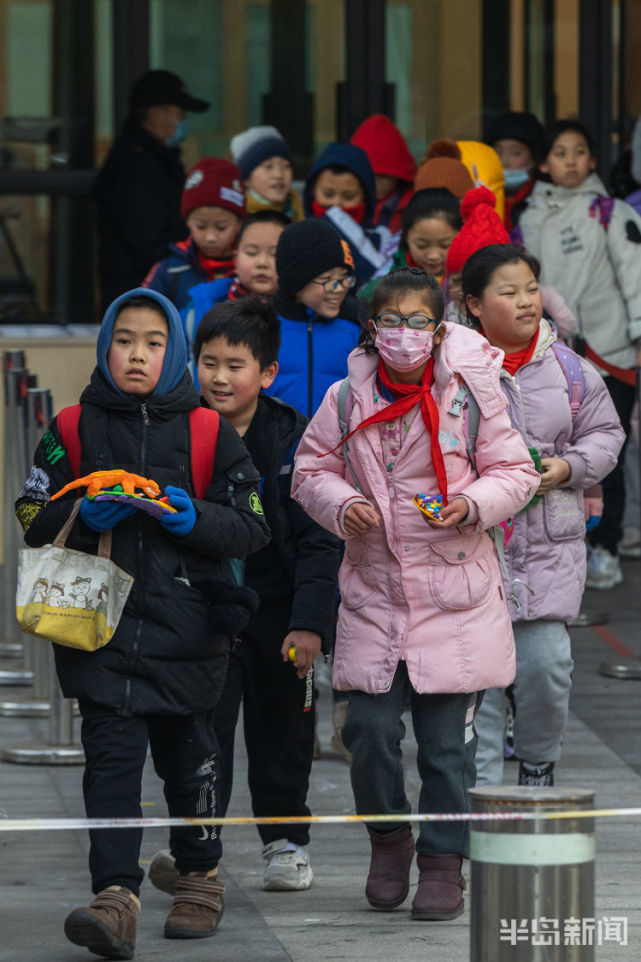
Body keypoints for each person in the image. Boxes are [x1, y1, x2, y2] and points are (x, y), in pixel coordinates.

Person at [15, 288, 270, 957]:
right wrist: (80, 516)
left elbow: (252, 524)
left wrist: (192, 519)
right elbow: (30, 512)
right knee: (110, 767)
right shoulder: (70, 427)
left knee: (192, 764)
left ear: (174, 352)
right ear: (105, 347)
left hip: (191, 632)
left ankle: (198, 877)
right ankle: (115, 897)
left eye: (153, 343)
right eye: (124, 340)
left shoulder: (210, 430)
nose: (136, 355)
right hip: (96, 631)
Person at [291, 267, 539, 921]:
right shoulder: (345, 397)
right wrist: (342, 504)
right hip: (374, 593)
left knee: (445, 748)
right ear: (372, 329)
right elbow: (310, 469)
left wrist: (471, 504)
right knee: (367, 734)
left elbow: (516, 471)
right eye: (392, 321)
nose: (405, 334)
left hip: (455, 598)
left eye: (419, 321)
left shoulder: (472, 393)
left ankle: (442, 861)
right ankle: (388, 838)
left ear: (439, 329)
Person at [461, 244, 624, 787]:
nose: (527, 301)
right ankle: (481, 790)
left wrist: (569, 467)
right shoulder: (452, 370)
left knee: (547, 667)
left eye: (532, 288)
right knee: (477, 683)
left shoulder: (570, 369)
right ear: (474, 305)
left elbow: (606, 433)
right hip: (473, 548)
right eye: (509, 292)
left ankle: (537, 764)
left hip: (548, 548)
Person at [519, 118, 641, 589]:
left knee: (606, 453)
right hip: (551, 357)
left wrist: (637, 332)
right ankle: (563, 551)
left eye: (579, 151)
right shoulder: (528, 218)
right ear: (544, 163)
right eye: (560, 152)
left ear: (592, 159)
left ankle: (605, 546)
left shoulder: (610, 211)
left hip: (609, 352)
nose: (570, 161)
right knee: (555, 453)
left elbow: (635, 274)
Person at [93, 70, 210, 308]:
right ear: (156, 114)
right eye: (181, 114)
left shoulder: (160, 159)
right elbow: (151, 243)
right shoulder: (134, 168)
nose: (184, 122)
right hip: (141, 298)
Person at [266, 218, 362, 418]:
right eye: (328, 280)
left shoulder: (357, 326)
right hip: (276, 437)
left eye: (344, 278)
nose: (340, 288)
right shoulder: (265, 326)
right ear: (296, 284)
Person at [143, 158, 246, 310]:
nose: (210, 237)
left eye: (221, 227)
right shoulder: (169, 270)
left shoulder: (250, 269)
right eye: (200, 226)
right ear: (187, 221)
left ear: (240, 223)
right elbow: (142, 310)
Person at [181, 210, 289, 352]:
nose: (262, 263)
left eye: (275, 254)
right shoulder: (199, 309)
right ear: (235, 257)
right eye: (251, 252)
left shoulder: (307, 315)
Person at [303, 142, 391, 287]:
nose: (336, 204)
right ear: (312, 191)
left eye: (349, 196)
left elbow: (382, 283)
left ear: (366, 197)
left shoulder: (381, 239)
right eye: (328, 194)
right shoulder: (295, 234)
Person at [350, 114, 417, 233]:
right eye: (369, 176)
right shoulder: (346, 205)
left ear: (399, 175)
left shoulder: (414, 207)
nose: (375, 183)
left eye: (383, 176)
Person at [230, 125, 304, 221]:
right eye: (269, 167)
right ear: (246, 179)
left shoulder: (299, 208)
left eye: (285, 166)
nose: (279, 175)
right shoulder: (236, 218)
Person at [485, 111, 544, 232]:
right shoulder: (480, 199)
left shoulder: (547, 201)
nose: (504, 162)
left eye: (516, 153)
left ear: (534, 160)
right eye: (498, 152)